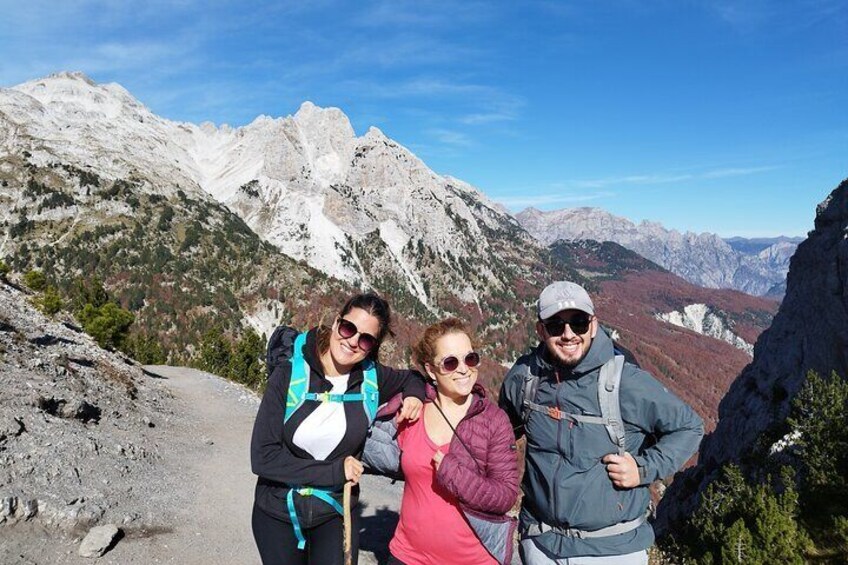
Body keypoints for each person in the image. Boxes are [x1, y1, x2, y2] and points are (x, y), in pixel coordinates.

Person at [498, 281, 704, 564]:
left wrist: (643, 469)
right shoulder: (525, 378)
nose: (568, 334)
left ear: (593, 325)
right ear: (541, 331)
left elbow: (690, 427)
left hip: (612, 550)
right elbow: (497, 434)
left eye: (579, 323)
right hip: (541, 545)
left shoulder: (625, 381)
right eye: (556, 325)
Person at [250, 292, 426, 565]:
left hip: (335, 512)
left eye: (365, 339)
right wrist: (334, 472)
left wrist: (414, 396)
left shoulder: (371, 377)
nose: (353, 341)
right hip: (277, 514)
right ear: (336, 322)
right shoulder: (289, 375)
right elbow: (263, 457)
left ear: (372, 346)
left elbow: (413, 378)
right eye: (348, 328)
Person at [363, 317, 520, 565]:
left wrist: (453, 474)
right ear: (430, 370)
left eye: (470, 359)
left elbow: (506, 496)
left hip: (473, 560)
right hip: (408, 556)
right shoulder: (411, 410)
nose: (463, 369)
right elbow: (366, 439)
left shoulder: (493, 420)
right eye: (450, 362)